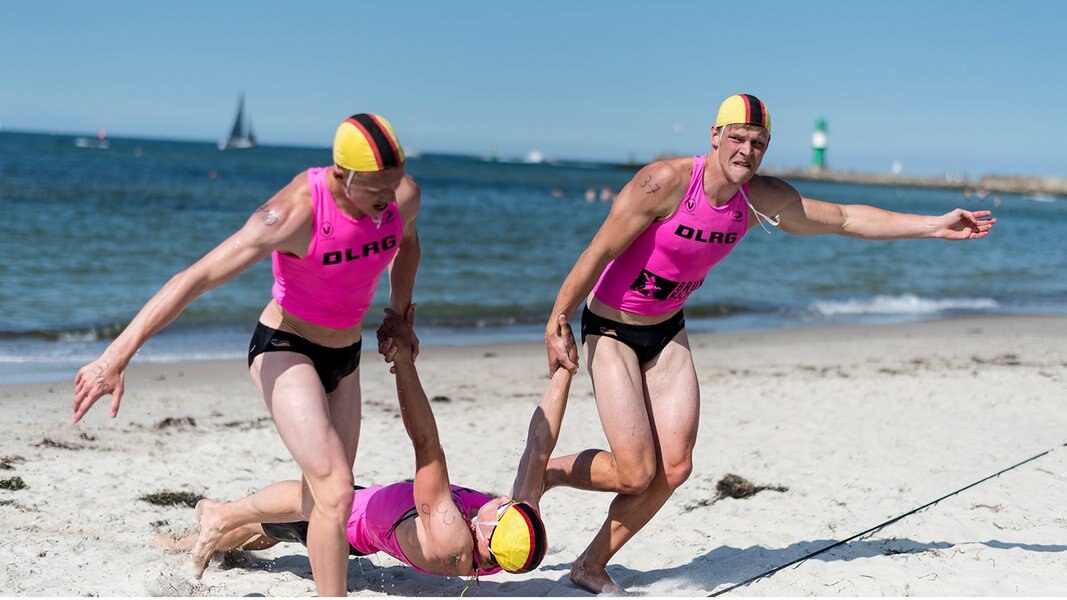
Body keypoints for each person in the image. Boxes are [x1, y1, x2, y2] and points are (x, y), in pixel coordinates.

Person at [542, 94, 997, 594]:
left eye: (757, 143)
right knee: (634, 472)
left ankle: (590, 564)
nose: (745, 150)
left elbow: (845, 217)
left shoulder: (761, 198)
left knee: (673, 469)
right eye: (736, 137)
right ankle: (550, 473)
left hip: (667, 328)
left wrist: (934, 226)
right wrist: (558, 316)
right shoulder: (665, 182)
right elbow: (600, 248)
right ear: (714, 136)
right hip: (611, 327)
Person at [73, 113, 422, 597]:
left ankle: (221, 516)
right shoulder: (293, 214)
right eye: (377, 191)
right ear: (343, 174)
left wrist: (399, 314)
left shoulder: (402, 196)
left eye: (395, 184)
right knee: (336, 490)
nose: (388, 201)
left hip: (347, 356)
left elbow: (406, 243)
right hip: (286, 347)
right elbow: (194, 280)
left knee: (324, 498)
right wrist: (113, 359)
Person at [156, 309, 572, 590]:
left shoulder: (450, 534)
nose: (501, 501)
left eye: (498, 511)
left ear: (486, 534)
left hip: (349, 523)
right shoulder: (511, 544)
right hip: (374, 512)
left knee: (289, 512)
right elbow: (537, 448)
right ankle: (198, 535)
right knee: (262, 534)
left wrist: (403, 365)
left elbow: (427, 444)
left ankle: (202, 527)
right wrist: (565, 373)